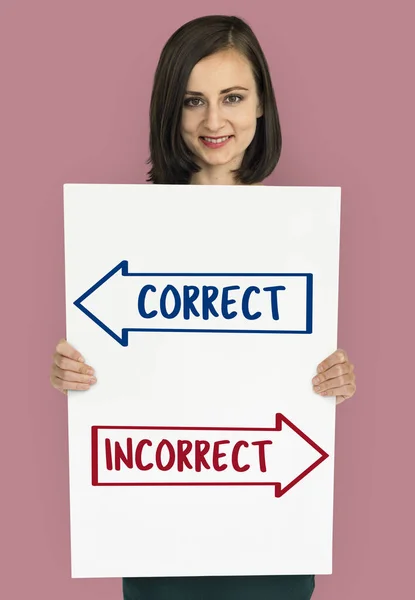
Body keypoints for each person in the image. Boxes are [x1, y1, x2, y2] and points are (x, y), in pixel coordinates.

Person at [50, 14, 356, 600]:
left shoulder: (301, 235)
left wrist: (331, 380)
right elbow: (130, 374)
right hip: (157, 534)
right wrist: (75, 372)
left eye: (233, 98)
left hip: (271, 537)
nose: (214, 121)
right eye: (193, 101)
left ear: (261, 105)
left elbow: (285, 369)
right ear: (171, 110)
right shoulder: (117, 236)